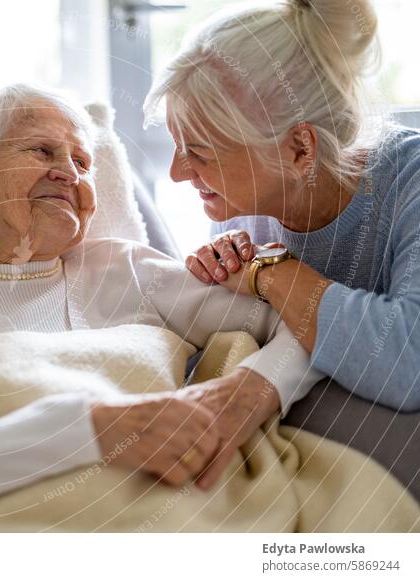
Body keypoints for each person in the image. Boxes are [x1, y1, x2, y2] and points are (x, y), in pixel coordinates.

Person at [0, 84, 319, 532]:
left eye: (83, 162)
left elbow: (307, 323)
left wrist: (255, 389)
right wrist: (92, 430)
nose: (69, 173)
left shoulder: (127, 268)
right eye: (40, 150)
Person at [145, 0, 420, 412]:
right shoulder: (238, 204)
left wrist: (271, 271)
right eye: (176, 145)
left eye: (199, 152)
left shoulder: (409, 184)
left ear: (299, 149)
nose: (176, 173)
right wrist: (220, 277)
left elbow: (409, 364)